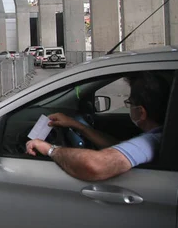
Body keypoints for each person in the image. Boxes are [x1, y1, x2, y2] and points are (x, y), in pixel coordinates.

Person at [26, 72, 170, 181]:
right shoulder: (164, 134)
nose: (129, 107)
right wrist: (77, 125)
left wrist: (50, 149)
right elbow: (117, 147)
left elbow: (95, 165)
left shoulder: (153, 141)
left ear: (141, 112)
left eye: (129, 103)